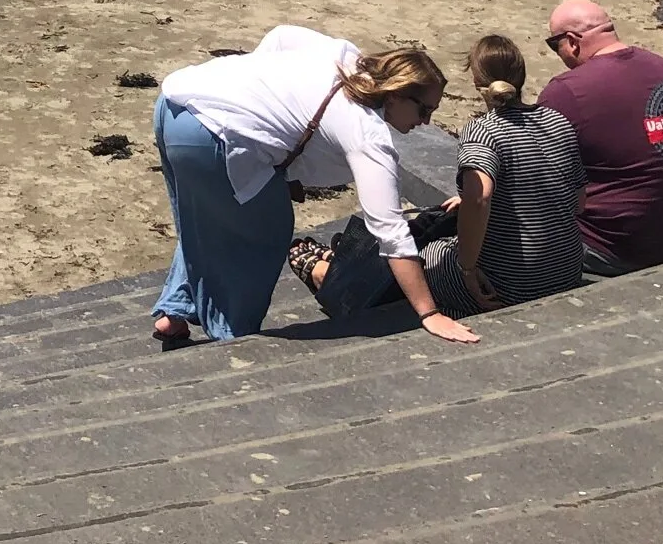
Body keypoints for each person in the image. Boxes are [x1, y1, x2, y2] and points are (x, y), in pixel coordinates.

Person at [150, 25, 480, 348]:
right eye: (423, 110)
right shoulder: (366, 133)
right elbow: (390, 230)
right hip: (216, 137)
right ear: (395, 93)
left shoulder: (344, 55)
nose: (426, 122)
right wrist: (429, 312)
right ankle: (232, 338)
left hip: (175, 103)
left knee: (204, 215)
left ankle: (176, 311)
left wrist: (263, 97)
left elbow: (281, 36)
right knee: (264, 234)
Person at [295, 33, 584, 321]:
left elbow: (480, 197)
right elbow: (578, 200)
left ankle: (329, 274)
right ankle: (339, 264)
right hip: (567, 270)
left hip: (510, 284)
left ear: (476, 82)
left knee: (415, 258)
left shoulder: (483, 131)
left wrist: (468, 269)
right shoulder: (557, 121)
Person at [537, 0, 663, 275]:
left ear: (572, 41)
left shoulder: (567, 91)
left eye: (554, 45)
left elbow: (532, 173)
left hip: (614, 246)